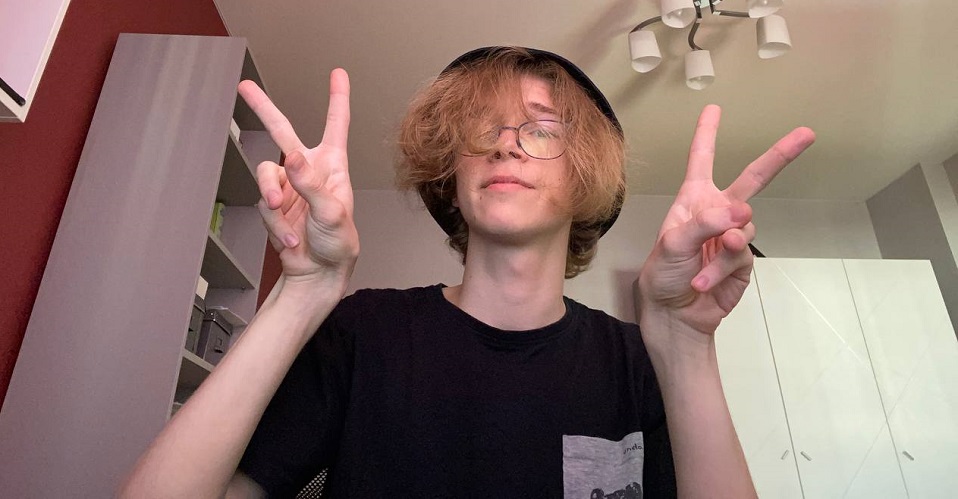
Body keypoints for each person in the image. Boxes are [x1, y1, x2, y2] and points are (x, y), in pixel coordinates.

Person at [121, 46, 815, 498]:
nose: (506, 146)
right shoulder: (364, 333)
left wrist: (685, 344)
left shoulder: (637, 362)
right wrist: (303, 291)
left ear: (586, 178)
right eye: (483, 131)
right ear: (450, 179)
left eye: (541, 129)